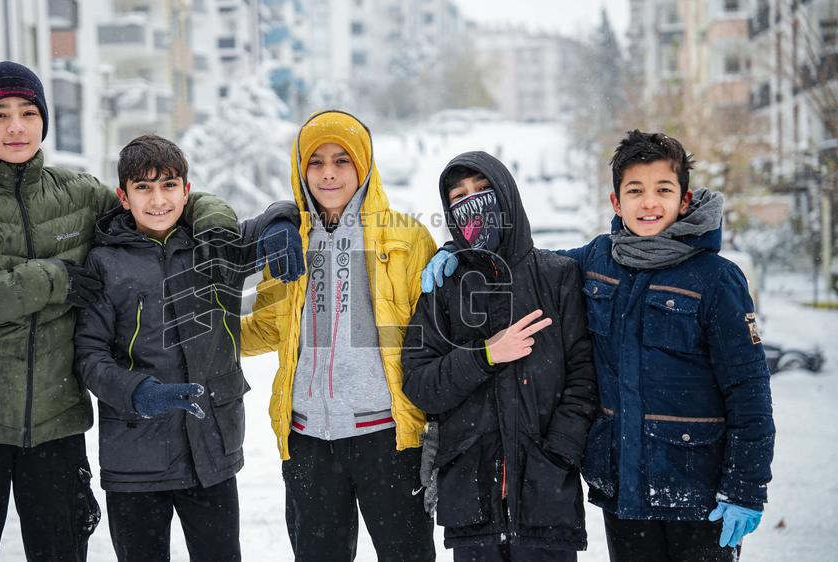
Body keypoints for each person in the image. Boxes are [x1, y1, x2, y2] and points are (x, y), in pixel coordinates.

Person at [0, 61, 238, 562]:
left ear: (44, 119)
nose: (15, 126)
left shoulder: (80, 195)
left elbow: (156, 200)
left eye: (27, 112)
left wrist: (212, 215)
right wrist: (47, 279)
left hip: (57, 428)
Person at [421, 131, 776, 561]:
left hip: (697, 490)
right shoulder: (597, 260)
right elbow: (525, 262)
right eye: (635, 191)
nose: (649, 203)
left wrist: (745, 488)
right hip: (623, 490)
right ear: (616, 202)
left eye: (663, 189)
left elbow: (749, 391)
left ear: (685, 199)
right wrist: (459, 252)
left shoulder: (717, 280)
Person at [73, 134, 304, 562]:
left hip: (210, 451)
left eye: (168, 185)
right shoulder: (105, 263)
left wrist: (281, 225)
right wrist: (137, 391)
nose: (157, 199)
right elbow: (89, 356)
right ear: (124, 197)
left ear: (186, 191)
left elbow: (283, 209)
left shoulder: (215, 245)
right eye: (143, 187)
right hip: (135, 459)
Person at [241, 110, 438, 561]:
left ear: (365, 165)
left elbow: (434, 336)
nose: (328, 173)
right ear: (300, 168)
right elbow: (270, 326)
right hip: (308, 440)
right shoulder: (290, 240)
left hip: (388, 438)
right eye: (316, 162)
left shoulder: (405, 236)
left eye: (342, 160)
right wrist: (210, 335)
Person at [400, 152, 596, 562]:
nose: (473, 203)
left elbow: (584, 378)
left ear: (506, 194)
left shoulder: (558, 275)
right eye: (459, 196)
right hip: (471, 503)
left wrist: (557, 452)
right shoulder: (445, 286)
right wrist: (485, 355)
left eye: (483, 190)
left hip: (547, 501)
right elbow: (420, 384)